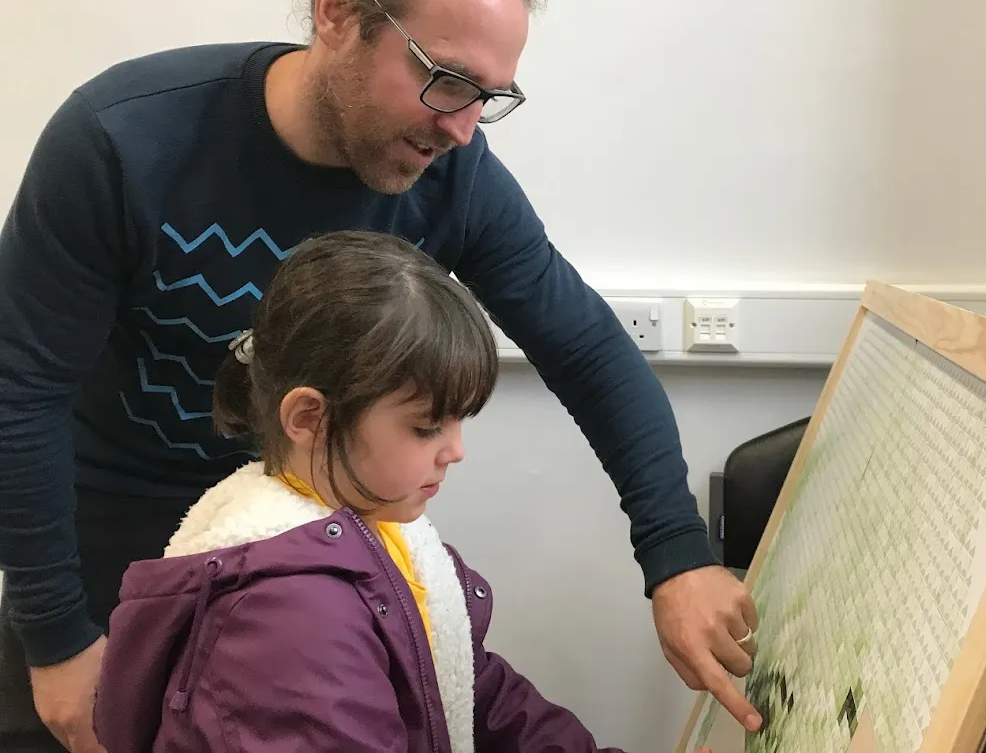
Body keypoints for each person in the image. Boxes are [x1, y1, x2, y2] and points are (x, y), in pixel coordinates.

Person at [0, 0, 759, 752]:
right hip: (107, 545)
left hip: (306, 544)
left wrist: (678, 553)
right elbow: (20, 393)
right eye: (444, 80)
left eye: (490, 96)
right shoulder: (124, 141)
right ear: (337, 12)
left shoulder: (450, 175)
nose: (465, 129)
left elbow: (584, 345)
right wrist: (57, 641)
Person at [93, 229, 646, 752]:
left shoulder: (383, 535)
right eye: (428, 427)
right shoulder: (287, 617)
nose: (456, 450)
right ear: (310, 417)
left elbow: (472, 689)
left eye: (460, 422)